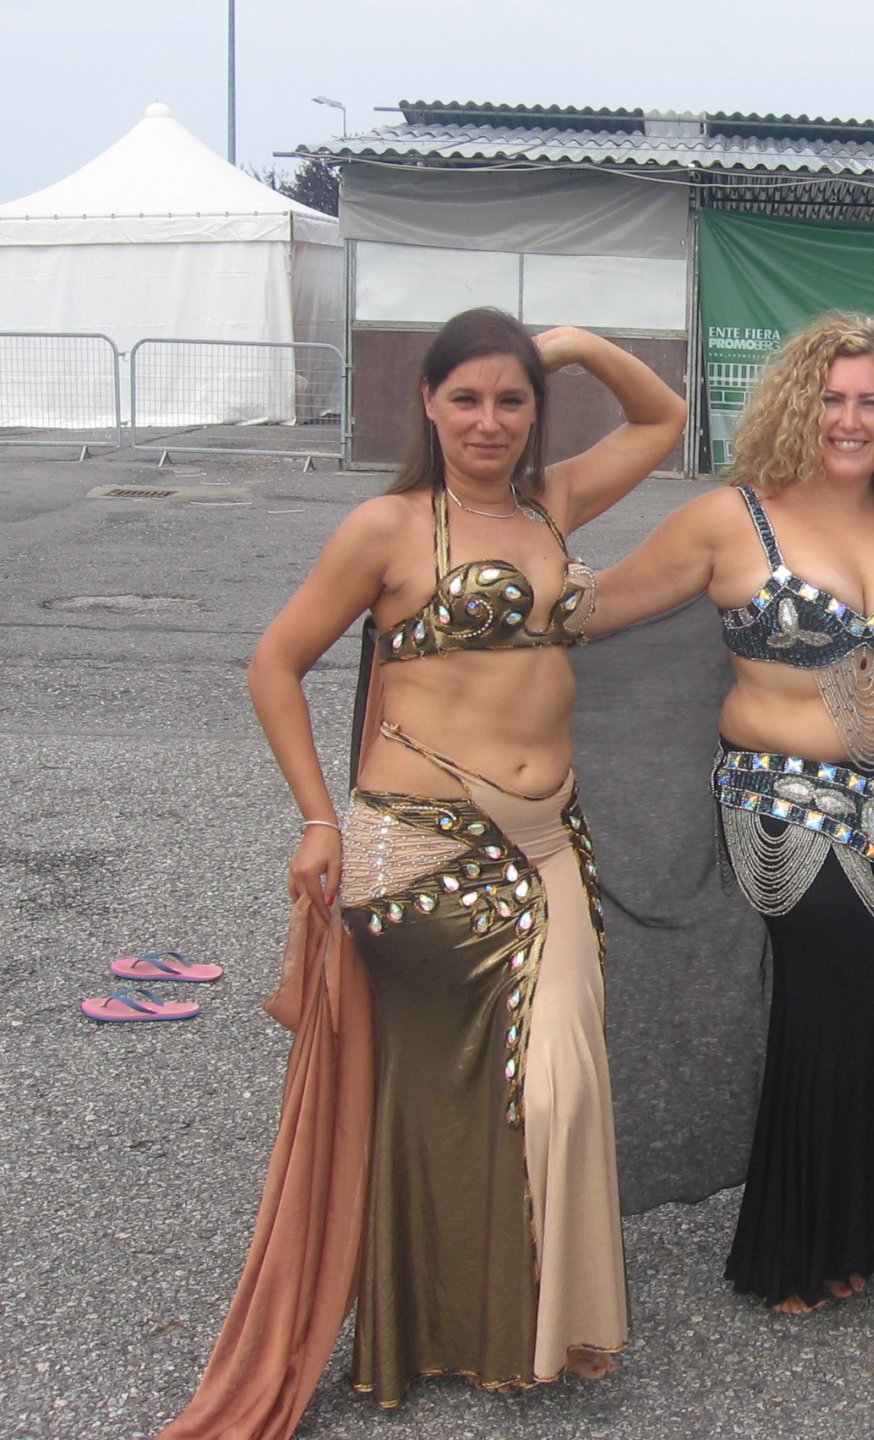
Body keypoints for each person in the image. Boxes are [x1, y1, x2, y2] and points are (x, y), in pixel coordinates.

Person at [164, 307, 686, 1436]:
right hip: (423, 850)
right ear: (428, 404)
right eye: (467, 398)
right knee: (468, 1092)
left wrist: (574, 344)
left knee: (549, 1087)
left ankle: (502, 1325)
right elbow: (274, 664)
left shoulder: (553, 505)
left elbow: (665, 419)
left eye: (512, 399)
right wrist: (316, 819)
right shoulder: (388, 527)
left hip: (549, 845)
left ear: (535, 410)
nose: (489, 421)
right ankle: (456, 1321)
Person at [589, 313, 874, 1315]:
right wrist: (476, 577)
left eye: (873, 402)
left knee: (871, 1010)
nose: (851, 420)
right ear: (801, 405)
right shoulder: (730, 519)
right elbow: (594, 611)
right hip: (780, 802)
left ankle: (850, 1235)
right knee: (831, 1000)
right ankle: (791, 1249)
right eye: (833, 398)